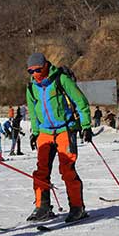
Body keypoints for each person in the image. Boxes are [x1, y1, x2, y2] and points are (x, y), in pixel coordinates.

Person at [26, 52, 92, 223]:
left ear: (46, 66)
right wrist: (35, 132)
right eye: (30, 71)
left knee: (67, 170)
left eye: (38, 70)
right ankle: (43, 207)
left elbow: (81, 101)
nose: (35, 74)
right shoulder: (31, 87)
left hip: (65, 130)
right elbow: (33, 112)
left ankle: (77, 207)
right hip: (45, 132)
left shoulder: (61, 79)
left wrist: (85, 126)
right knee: (41, 171)